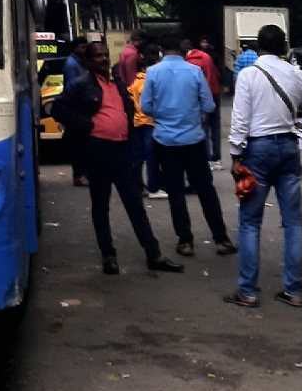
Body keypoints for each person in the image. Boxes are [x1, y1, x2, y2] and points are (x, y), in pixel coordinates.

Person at [224, 25, 302, 308]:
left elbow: (240, 120)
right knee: (293, 222)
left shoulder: (248, 75)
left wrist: (235, 154)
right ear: (284, 47)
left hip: (258, 151)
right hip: (289, 149)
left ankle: (248, 292)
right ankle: (293, 290)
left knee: (250, 222)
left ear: (257, 47)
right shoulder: (295, 74)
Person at [64, 42, 183, 276]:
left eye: (106, 55)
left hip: (121, 152)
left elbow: (127, 109)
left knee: (135, 205)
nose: (103, 59)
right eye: (98, 56)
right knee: (101, 206)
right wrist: (88, 126)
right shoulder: (80, 85)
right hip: (98, 153)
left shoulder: (115, 83)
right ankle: (109, 256)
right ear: (89, 61)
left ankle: (153, 254)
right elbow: (59, 109)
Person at [142, 35, 236, 258]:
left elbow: (145, 107)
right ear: (184, 51)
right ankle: (221, 238)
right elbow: (209, 104)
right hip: (193, 140)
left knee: (175, 192)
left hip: (165, 140)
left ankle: (185, 241)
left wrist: (164, 115)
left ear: (161, 51)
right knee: (206, 190)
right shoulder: (194, 72)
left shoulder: (153, 72)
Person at [126, 43, 165, 198]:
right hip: (148, 122)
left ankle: (137, 186)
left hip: (137, 122)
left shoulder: (135, 81)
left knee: (138, 157)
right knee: (152, 157)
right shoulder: (147, 82)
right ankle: (153, 188)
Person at [183, 38, 224, 169]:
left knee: (203, 128)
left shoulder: (188, 63)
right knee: (215, 127)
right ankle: (217, 159)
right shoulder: (206, 57)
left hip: (201, 98)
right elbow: (215, 74)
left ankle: (207, 158)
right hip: (214, 94)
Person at [60, 37, 90, 186]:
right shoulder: (72, 64)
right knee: (78, 145)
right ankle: (79, 175)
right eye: (83, 47)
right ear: (76, 48)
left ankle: (82, 174)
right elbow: (73, 88)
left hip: (79, 110)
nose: (85, 50)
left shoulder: (78, 62)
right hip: (76, 110)